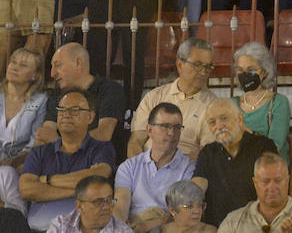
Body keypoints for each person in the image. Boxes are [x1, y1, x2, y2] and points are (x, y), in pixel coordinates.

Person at [20, 88, 117, 232]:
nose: (66, 115)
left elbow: (99, 177)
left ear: (90, 117)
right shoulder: (40, 152)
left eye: (75, 109)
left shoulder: (101, 148)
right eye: (62, 109)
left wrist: (47, 180)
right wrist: (79, 191)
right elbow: (26, 189)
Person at [127, 38, 219, 159]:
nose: (203, 72)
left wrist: (172, 169)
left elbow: (206, 153)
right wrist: (140, 171)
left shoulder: (214, 106)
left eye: (208, 67)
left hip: (185, 171)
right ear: (180, 64)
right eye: (197, 65)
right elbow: (136, 141)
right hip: (147, 168)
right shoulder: (154, 97)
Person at [115, 101, 195, 232]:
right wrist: (122, 228)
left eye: (177, 127)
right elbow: (120, 206)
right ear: (149, 130)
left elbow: (182, 213)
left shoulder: (189, 168)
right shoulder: (129, 166)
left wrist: (147, 226)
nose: (171, 133)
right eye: (165, 126)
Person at [217, 153, 292, 233]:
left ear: (288, 180)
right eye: (265, 181)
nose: (272, 187)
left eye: (278, 180)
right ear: (255, 183)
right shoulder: (234, 222)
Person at [49, 176, 133, 233]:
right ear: (79, 206)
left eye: (109, 200)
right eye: (98, 202)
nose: (106, 207)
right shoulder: (61, 225)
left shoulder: (123, 231)